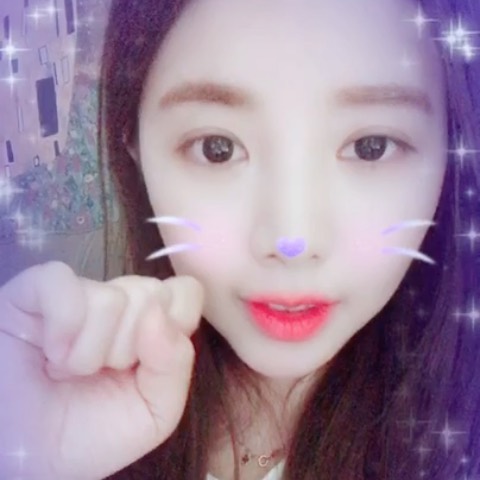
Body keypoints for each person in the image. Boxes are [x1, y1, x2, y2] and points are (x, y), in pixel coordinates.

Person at [0, 0, 479, 478]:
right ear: (135, 142)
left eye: (370, 148)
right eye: (218, 149)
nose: (291, 241)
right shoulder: (67, 407)